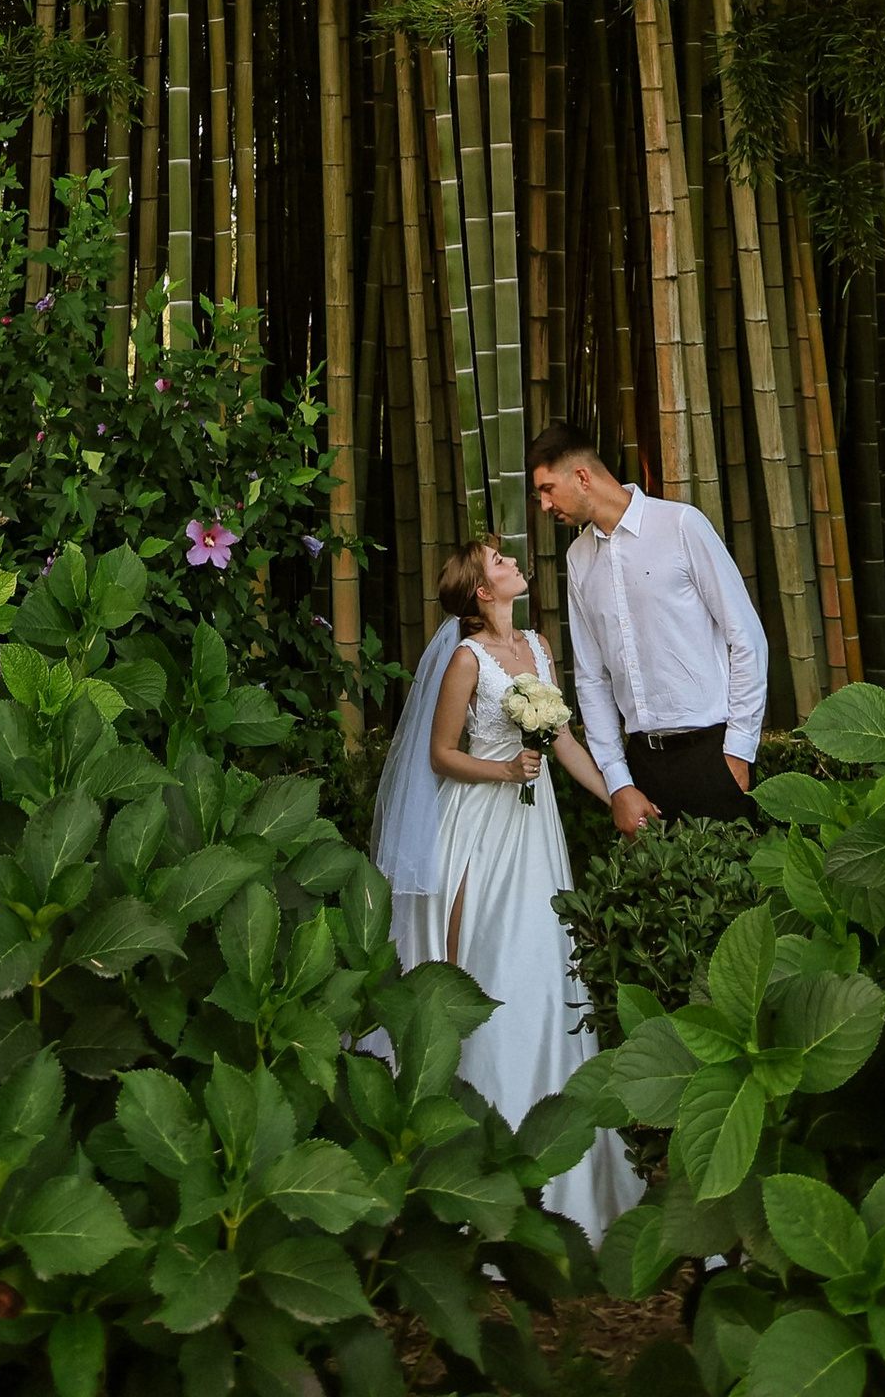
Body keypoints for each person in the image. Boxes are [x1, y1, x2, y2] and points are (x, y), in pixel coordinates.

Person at [368, 532, 640, 1244]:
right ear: (482, 592)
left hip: (535, 831)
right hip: (480, 832)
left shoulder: (540, 649)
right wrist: (505, 771)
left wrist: (614, 794)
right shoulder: (467, 659)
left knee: (548, 966)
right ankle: (473, 1167)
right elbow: (441, 753)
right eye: (499, 561)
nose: (513, 561)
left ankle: (561, 1169)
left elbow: (564, 741)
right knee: (492, 964)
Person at [529, 420, 767, 832]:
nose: (545, 506)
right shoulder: (578, 559)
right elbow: (590, 679)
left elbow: (746, 637)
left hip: (713, 752)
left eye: (547, 490)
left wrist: (739, 752)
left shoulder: (680, 526)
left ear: (582, 476)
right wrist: (619, 782)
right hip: (643, 766)